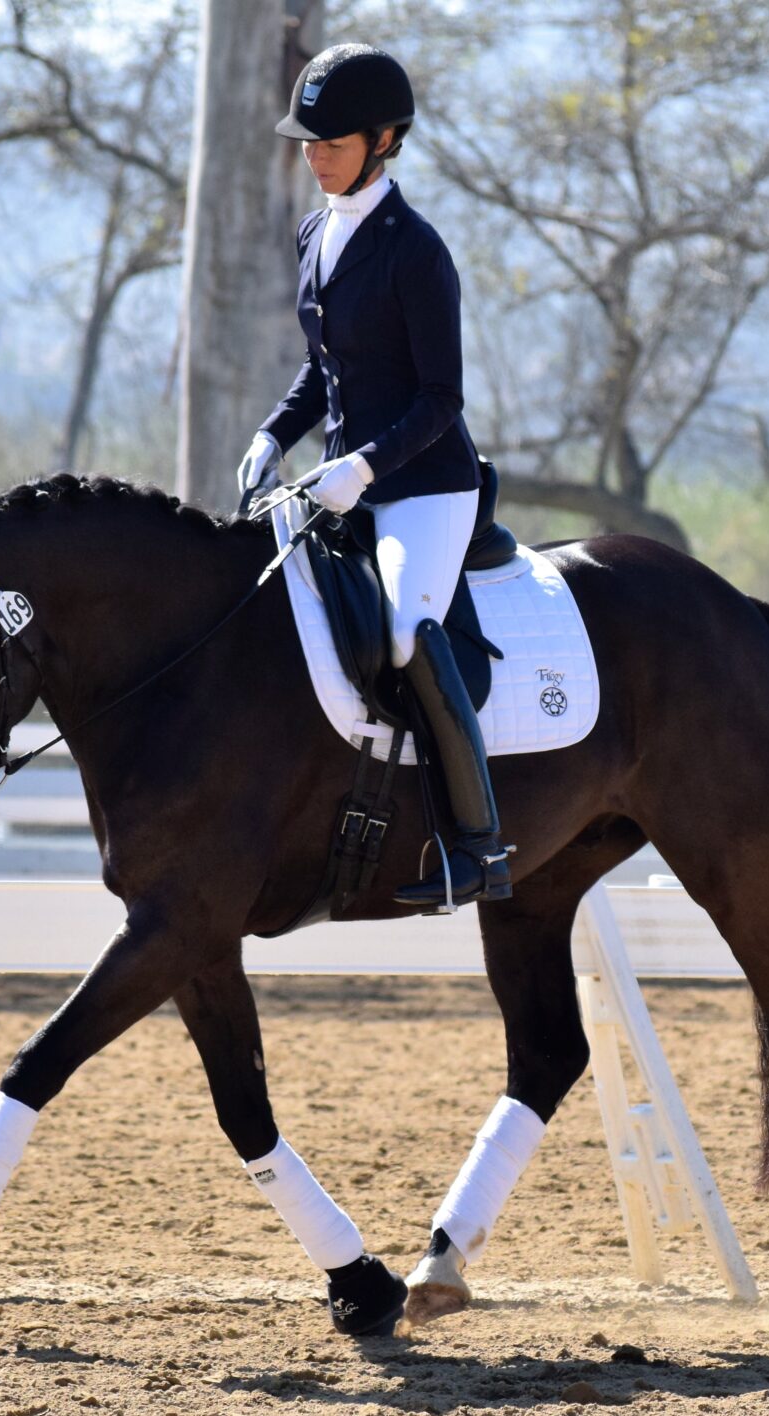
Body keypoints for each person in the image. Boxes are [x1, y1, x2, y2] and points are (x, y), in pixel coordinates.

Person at [237, 42, 510, 910]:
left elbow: (441, 397)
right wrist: (274, 435)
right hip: (338, 482)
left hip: (424, 485)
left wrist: (363, 464)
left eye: (331, 141)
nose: (313, 154)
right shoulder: (316, 232)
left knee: (404, 634)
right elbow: (325, 370)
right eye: (307, 141)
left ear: (385, 139)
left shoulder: (416, 252)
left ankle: (478, 843)